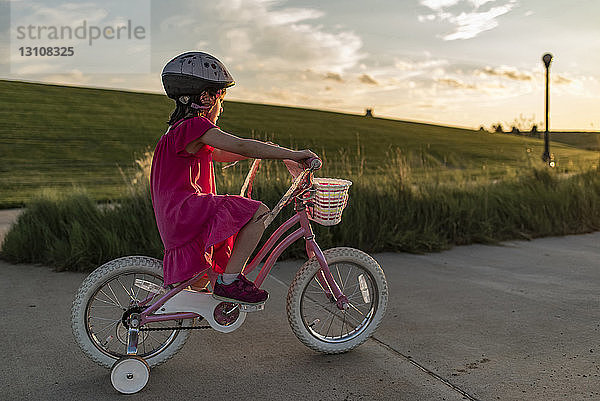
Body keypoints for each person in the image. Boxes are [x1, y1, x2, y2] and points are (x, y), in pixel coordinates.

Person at [151, 51, 316, 305]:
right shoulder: (196, 126)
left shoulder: (177, 131)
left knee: (200, 281)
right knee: (259, 212)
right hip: (186, 212)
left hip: (174, 216)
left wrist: (270, 150)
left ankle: (215, 287)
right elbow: (241, 145)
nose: (221, 107)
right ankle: (230, 282)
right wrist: (294, 153)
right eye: (221, 99)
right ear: (205, 98)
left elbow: (225, 153)